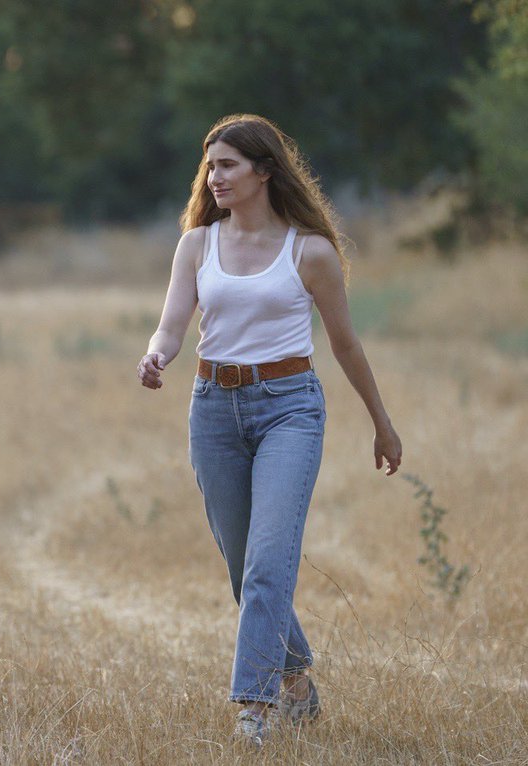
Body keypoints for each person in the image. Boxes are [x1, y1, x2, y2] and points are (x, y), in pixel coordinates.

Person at [137, 114, 402, 746]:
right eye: (210, 165)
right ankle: (298, 681)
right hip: (213, 410)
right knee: (242, 569)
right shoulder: (197, 244)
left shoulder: (309, 250)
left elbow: (344, 344)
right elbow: (173, 322)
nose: (214, 176)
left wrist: (381, 424)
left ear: (264, 170)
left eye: (227, 164)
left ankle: (253, 710)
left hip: (290, 408)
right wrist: (156, 354)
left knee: (266, 564)